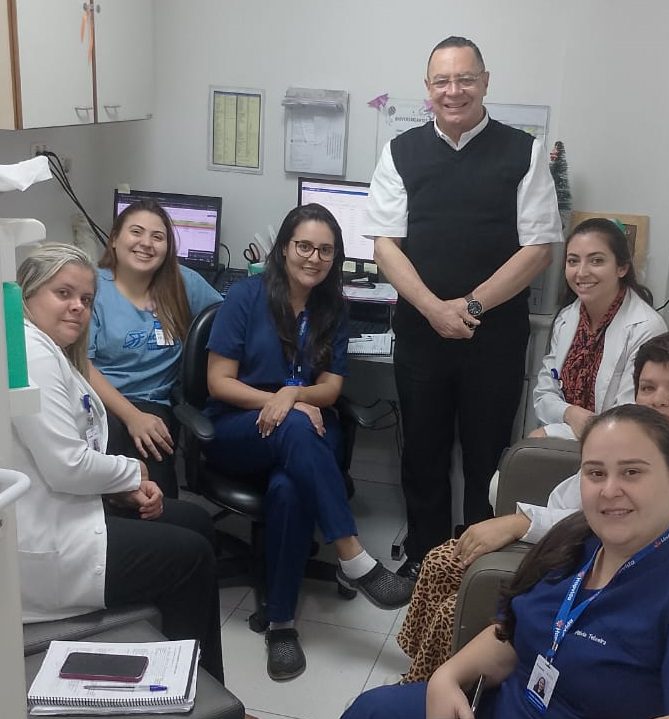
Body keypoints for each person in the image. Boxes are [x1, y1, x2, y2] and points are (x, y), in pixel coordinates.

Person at [337, 405, 669, 719]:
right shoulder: (575, 539)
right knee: (373, 711)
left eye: (632, 472)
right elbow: (511, 632)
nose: (609, 490)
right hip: (504, 706)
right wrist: (446, 677)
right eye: (596, 473)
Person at [397, 330, 669, 682]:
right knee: (441, 561)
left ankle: (437, 686)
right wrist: (551, 433)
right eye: (648, 387)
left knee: (454, 610)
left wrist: (520, 523)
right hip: (560, 534)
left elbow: (609, 524)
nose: (659, 401)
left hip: (599, 561)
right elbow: (577, 479)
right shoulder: (638, 437)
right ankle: (421, 673)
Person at [364, 35, 563, 580]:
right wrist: (434, 309)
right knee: (422, 452)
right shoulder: (400, 152)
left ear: (485, 82)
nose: (454, 91)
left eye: (465, 79)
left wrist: (469, 306)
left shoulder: (522, 152)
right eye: (442, 81)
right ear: (427, 88)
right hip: (421, 332)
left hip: (493, 338)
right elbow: (385, 246)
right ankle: (427, 560)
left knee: (487, 457)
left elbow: (538, 249)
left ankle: (476, 568)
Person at [202, 204, 414, 681]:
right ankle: (352, 556)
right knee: (296, 428)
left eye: (325, 250)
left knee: (288, 488)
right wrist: (277, 401)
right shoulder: (246, 297)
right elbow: (219, 381)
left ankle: (280, 625)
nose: (314, 258)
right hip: (240, 428)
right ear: (283, 248)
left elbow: (330, 389)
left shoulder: (331, 308)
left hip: (305, 429)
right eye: (304, 246)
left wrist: (294, 396)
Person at [12, 244, 224, 683]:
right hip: (53, 542)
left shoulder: (50, 350)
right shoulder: (32, 355)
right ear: (28, 295)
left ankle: (197, 682)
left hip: (73, 507)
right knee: (190, 556)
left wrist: (120, 490)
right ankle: (188, 688)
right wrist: (132, 474)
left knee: (196, 522)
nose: (78, 307)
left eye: (86, 299)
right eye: (63, 293)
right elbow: (67, 466)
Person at [88, 199, 222, 497]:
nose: (146, 243)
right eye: (136, 232)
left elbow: (230, 317)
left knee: (157, 493)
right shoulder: (93, 286)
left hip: (154, 405)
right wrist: (132, 416)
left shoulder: (183, 283)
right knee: (110, 479)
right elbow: (83, 365)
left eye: (157, 237)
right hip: (100, 401)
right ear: (114, 239)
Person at [532, 217, 666, 440]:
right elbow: (544, 394)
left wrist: (557, 430)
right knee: (530, 450)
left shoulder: (646, 328)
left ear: (622, 268)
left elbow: (631, 415)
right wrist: (570, 413)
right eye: (573, 261)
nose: (581, 272)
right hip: (569, 430)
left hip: (618, 442)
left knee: (534, 445)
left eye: (596, 261)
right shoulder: (567, 318)